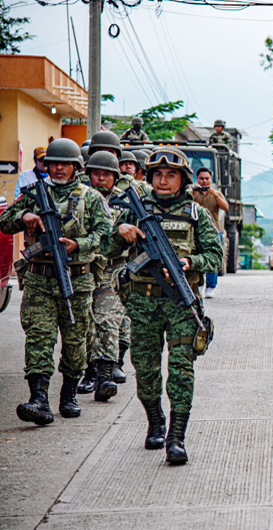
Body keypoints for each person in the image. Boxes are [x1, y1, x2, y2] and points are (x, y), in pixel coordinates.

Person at [102, 147, 223, 464]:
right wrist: (120, 231)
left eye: (171, 175)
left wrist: (188, 262)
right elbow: (104, 246)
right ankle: (155, 422)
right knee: (146, 369)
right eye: (158, 175)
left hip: (182, 303)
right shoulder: (134, 210)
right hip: (143, 303)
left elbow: (215, 257)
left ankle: (177, 438)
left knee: (181, 371)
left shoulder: (197, 214)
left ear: (182, 180)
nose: (164, 181)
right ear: (151, 177)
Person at [0, 139, 111, 425]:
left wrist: (79, 244)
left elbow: (106, 236)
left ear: (76, 167)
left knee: (75, 341)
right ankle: (39, 399)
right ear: (46, 165)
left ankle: (69, 395)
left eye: (65, 164)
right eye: (53, 163)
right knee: (39, 338)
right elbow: (6, 220)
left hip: (77, 280)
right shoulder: (33, 193)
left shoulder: (91, 198)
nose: (59, 168)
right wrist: (25, 215)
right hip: (39, 279)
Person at [84, 151, 130, 400]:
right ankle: (87, 372)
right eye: (96, 173)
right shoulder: (78, 198)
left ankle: (104, 377)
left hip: (111, 270)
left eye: (106, 174)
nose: (101, 178)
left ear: (115, 177)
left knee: (108, 321)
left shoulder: (125, 202)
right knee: (83, 324)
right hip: (81, 269)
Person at [192, 167, 229, 298]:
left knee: (213, 258)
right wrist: (194, 194)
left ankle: (210, 287)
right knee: (196, 257)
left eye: (207, 179)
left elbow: (225, 207)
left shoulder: (217, 193)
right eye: (201, 179)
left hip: (213, 231)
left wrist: (214, 194)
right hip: (194, 231)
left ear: (211, 180)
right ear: (197, 179)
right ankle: (199, 284)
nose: (204, 181)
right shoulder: (192, 192)